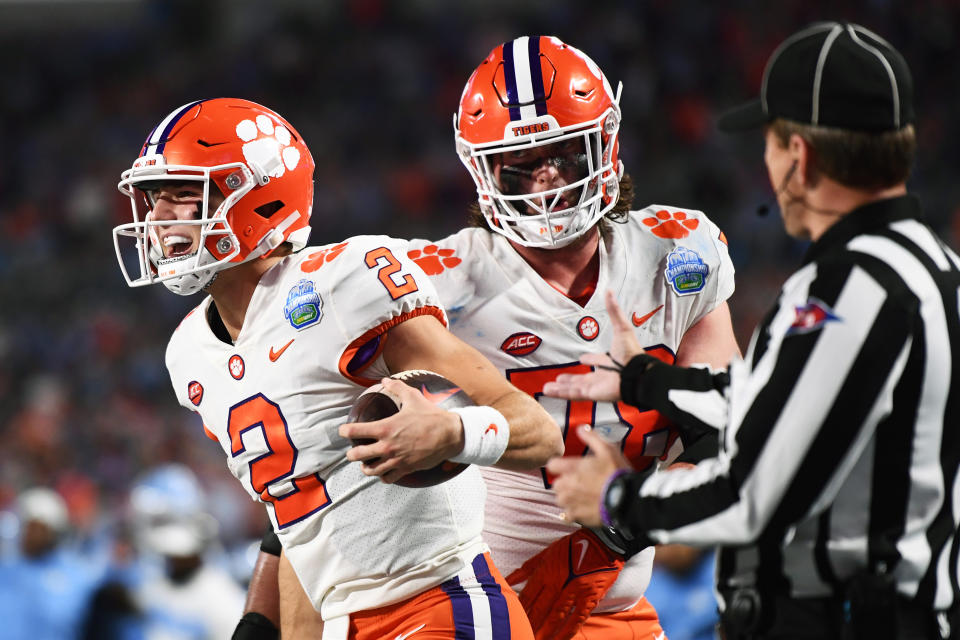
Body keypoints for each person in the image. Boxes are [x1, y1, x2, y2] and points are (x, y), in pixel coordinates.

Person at [546, 21, 960, 640]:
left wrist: (618, 500)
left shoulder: (849, 288)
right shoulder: (937, 271)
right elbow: (790, 402)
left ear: (800, 156)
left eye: (769, 144)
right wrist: (649, 380)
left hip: (848, 619)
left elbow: (756, 494)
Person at [111, 97, 561, 639]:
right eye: (153, 198)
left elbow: (539, 431)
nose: (157, 218)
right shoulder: (187, 354)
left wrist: (453, 431)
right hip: (343, 623)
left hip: (442, 604)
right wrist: (261, 620)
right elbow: (300, 516)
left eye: (183, 194)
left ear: (260, 197)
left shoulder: (342, 283)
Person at [0, 487, 106, 640]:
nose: (32, 534)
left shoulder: (78, 576)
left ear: (55, 529)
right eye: (28, 526)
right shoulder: (6, 572)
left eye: (39, 527)